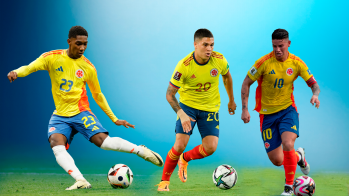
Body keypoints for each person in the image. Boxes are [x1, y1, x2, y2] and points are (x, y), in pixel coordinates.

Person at [7, 26, 163, 190]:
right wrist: (16, 72)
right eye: (78, 43)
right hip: (60, 115)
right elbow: (30, 67)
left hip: (81, 112)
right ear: (69, 41)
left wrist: (114, 118)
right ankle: (80, 180)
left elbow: (98, 95)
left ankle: (140, 150)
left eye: (85, 44)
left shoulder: (88, 67)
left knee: (104, 143)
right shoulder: (51, 58)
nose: (82, 48)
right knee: (56, 145)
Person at [241, 29, 320, 195]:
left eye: (281, 46)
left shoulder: (297, 63)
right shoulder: (263, 63)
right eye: (274, 46)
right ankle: (299, 157)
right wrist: (245, 109)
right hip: (267, 116)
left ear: (288, 44)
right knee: (278, 160)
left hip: (287, 110)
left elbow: (313, 83)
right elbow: (246, 82)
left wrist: (315, 95)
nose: (277, 50)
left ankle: (288, 188)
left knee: (288, 144)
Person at [157, 28, 237, 191]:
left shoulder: (219, 59)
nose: (209, 49)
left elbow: (227, 76)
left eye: (212, 45)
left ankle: (185, 159)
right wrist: (181, 113)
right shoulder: (184, 66)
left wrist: (231, 100)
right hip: (188, 108)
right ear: (195, 45)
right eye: (205, 45)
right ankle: (164, 182)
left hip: (210, 108)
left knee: (210, 148)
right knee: (179, 145)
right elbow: (169, 95)